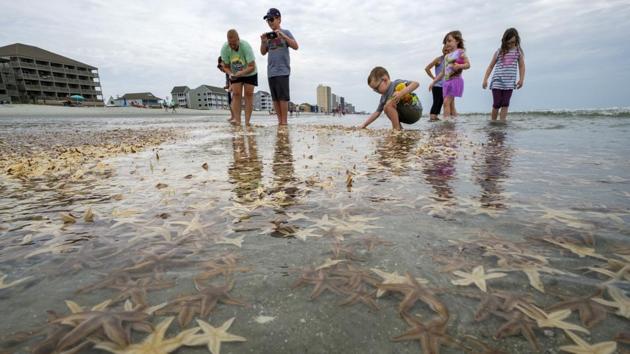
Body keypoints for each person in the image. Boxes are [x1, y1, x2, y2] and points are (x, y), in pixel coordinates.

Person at [260, 8, 299, 126]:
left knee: (283, 97)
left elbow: (296, 46)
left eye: (271, 19)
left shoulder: (286, 32)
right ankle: (279, 121)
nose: (270, 22)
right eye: (268, 20)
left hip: (283, 70)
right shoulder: (268, 36)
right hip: (271, 72)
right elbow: (263, 52)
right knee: (275, 98)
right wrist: (263, 42)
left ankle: (284, 122)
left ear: (279, 19)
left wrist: (283, 37)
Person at [358, 66, 422, 130]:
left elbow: (416, 84)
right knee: (386, 107)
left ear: (385, 80)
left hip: (414, 110)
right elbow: (377, 113)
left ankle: (396, 128)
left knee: (389, 104)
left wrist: (401, 93)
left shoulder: (396, 83)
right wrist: (364, 125)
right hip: (405, 117)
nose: (376, 91)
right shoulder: (383, 98)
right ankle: (398, 127)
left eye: (376, 88)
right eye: (374, 90)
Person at [482, 28, 525, 121]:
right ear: (504, 41)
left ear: (517, 40)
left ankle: (502, 124)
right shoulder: (499, 52)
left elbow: (521, 66)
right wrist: (485, 79)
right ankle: (493, 123)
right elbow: (490, 66)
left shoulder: (518, 52)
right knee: (497, 104)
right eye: (508, 42)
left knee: (505, 103)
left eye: (513, 42)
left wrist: (521, 79)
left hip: (509, 83)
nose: (510, 45)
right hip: (497, 81)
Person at [429, 31, 470, 119]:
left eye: (449, 41)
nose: (447, 43)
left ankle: (446, 123)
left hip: (456, 80)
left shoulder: (460, 52)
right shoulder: (447, 56)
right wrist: (434, 82)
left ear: (457, 41)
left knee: (446, 102)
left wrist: (460, 66)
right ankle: (454, 121)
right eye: (446, 42)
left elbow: (468, 65)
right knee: (450, 105)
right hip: (446, 82)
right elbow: (443, 72)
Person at [221, 29, 258, 126]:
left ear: (238, 39)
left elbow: (252, 66)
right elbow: (225, 66)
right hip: (235, 72)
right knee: (236, 94)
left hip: (250, 72)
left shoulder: (245, 46)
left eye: (234, 43)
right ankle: (237, 121)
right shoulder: (225, 48)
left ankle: (247, 122)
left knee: (248, 95)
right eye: (230, 44)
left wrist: (241, 73)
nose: (232, 46)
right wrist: (230, 74)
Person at [425, 45, 449, 122]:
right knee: (436, 101)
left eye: (448, 49)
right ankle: (432, 117)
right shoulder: (438, 59)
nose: (446, 50)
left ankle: (435, 117)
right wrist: (433, 78)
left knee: (441, 102)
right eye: (445, 49)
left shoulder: (450, 60)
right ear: (442, 50)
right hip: (437, 85)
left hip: (445, 85)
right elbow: (427, 68)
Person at [217, 56, 234, 122]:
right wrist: (226, 86)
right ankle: (233, 116)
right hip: (230, 89)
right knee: (230, 103)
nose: (222, 71)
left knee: (233, 103)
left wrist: (231, 86)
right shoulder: (227, 73)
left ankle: (234, 116)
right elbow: (228, 82)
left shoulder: (230, 69)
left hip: (233, 88)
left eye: (222, 69)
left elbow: (233, 79)